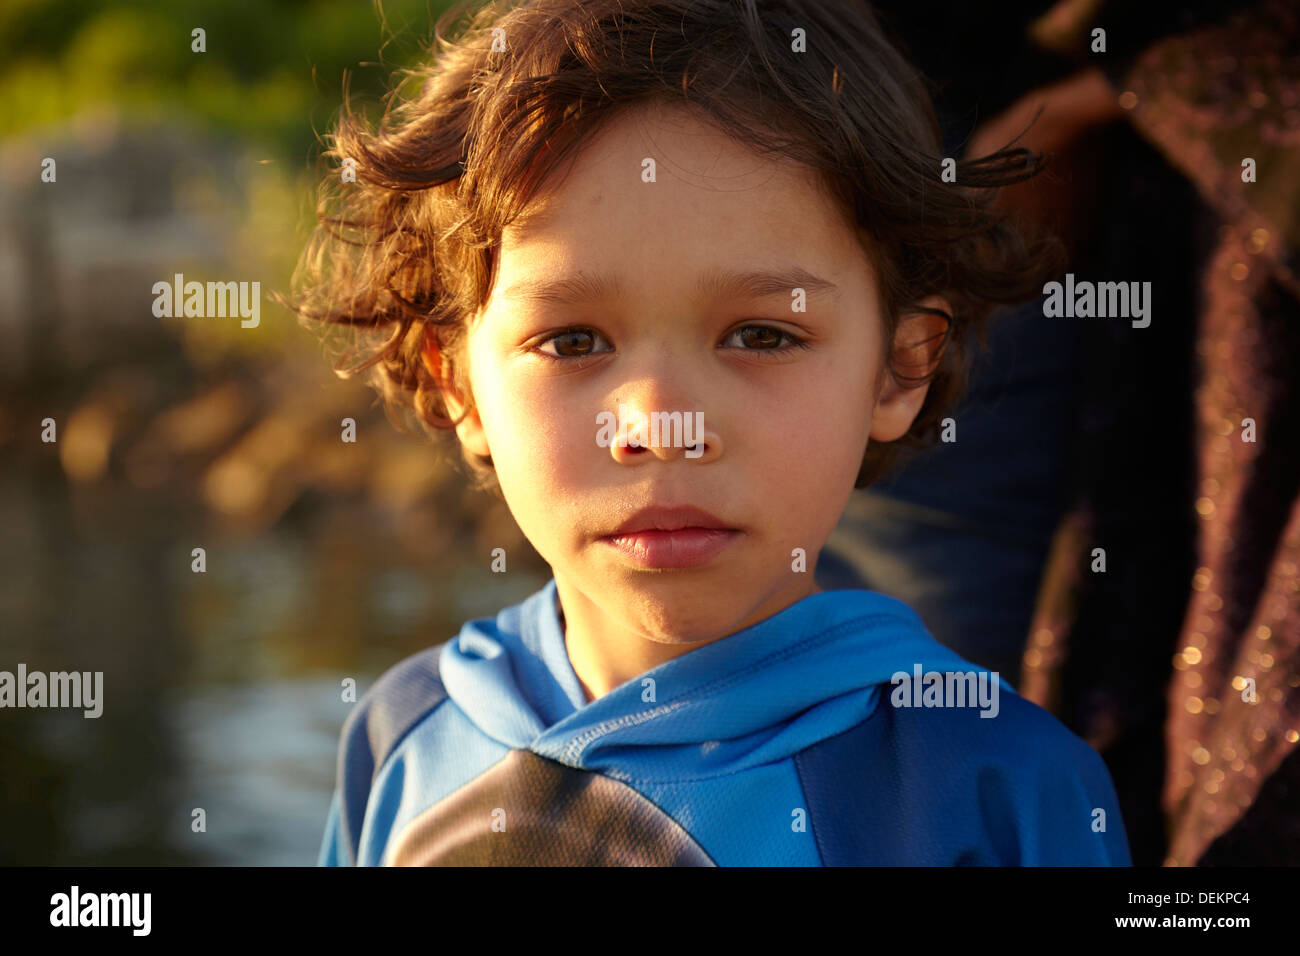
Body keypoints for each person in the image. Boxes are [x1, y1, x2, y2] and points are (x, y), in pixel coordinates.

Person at [292, 0, 1131, 866]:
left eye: (762, 335)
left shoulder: (1001, 791)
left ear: (900, 369)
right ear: (458, 382)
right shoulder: (404, 734)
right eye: (572, 341)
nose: (663, 426)